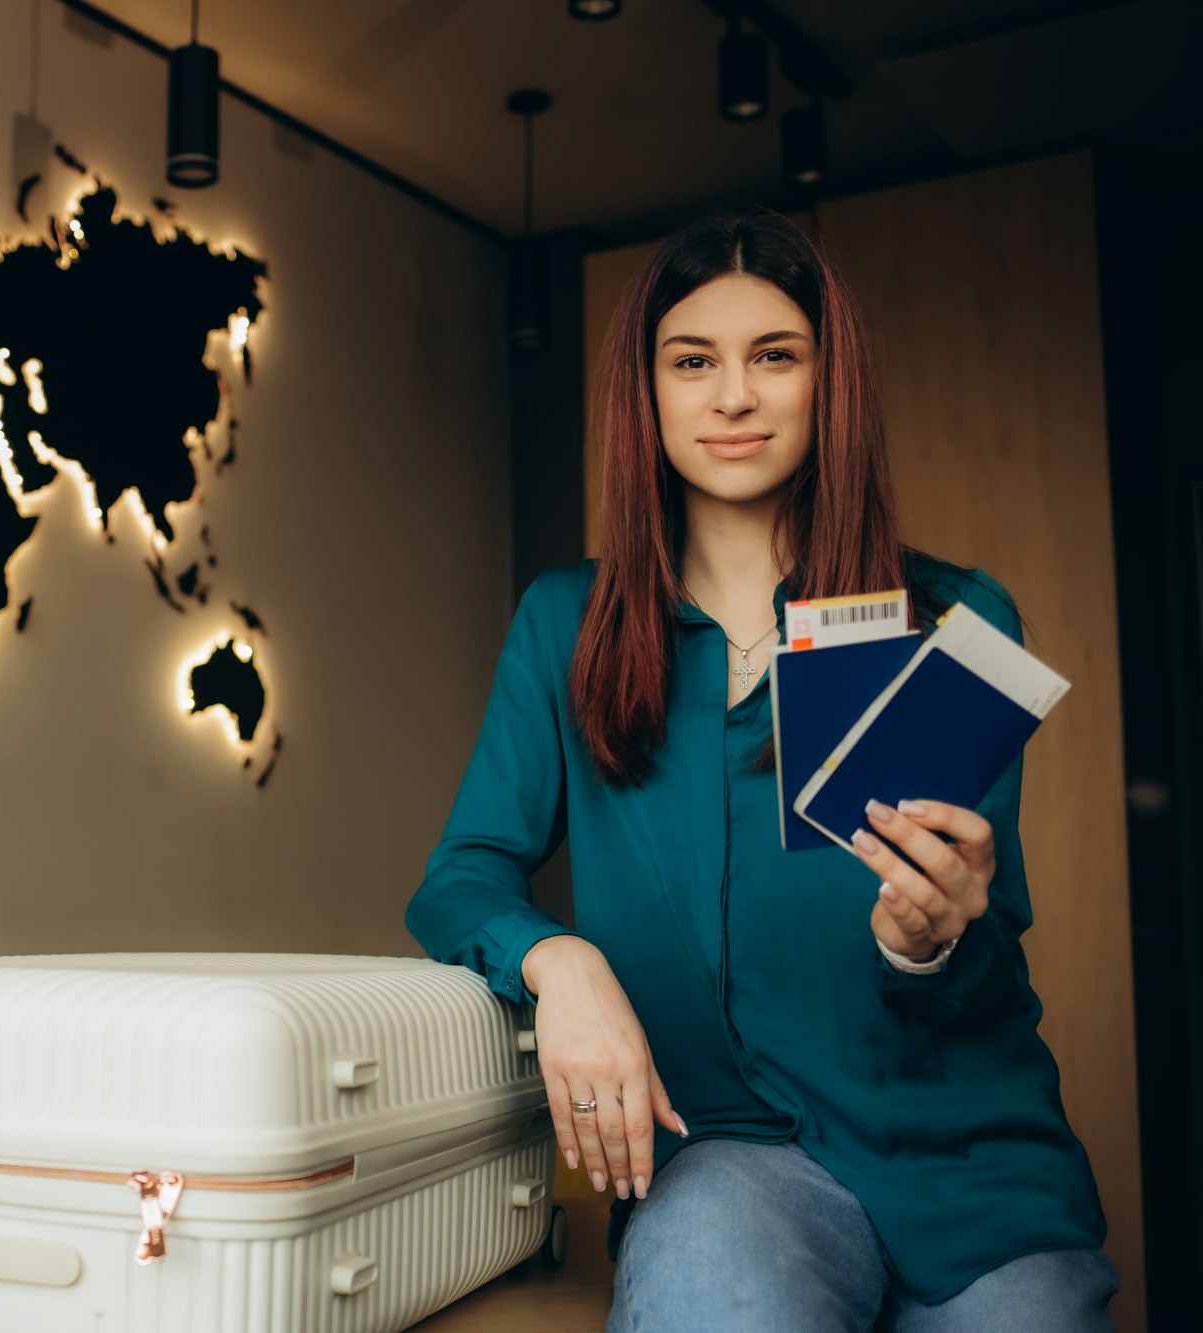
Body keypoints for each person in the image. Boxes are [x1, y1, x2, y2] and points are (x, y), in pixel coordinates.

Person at [406, 209, 1114, 1331]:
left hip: (970, 1163)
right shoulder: (565, 624)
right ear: (646, 395)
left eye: (772, 356)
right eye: (691, 362)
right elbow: (459, 877)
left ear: (827, 386)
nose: (731, 396)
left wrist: (927, 938)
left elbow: (986, 962)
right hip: (732, 1160)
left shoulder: (951, 618)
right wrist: (560, 962)